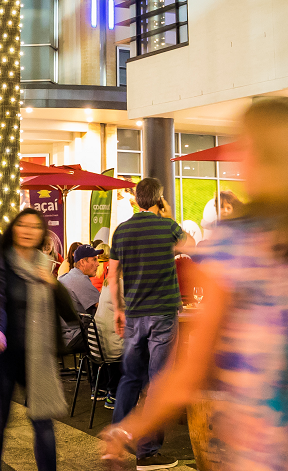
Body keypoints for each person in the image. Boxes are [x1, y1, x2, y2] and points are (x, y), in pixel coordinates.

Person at [100, 100, 288, 471]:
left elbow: (189, 372)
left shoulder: (237, 246)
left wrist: (126, 430)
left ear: (254, 156)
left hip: (269, 453)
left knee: (136, 373)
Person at [0, 208, 80, 471]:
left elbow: (71, 314)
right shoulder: (0, 262)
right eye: (22, 225)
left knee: (43, 422)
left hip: (37, 356)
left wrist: (53, 283)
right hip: (3, 355)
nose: (27, 231)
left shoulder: (44, 266)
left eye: (34, 226)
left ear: (42, 234)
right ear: (14, 229)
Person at [105, 178, 184, 470]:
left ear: (137, 201)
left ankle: (115, 441)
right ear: (159, 200)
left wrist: (118, 309)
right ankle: (147, 452)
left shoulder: (121, 231)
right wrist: (168, 216)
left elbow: (112, 275)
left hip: (135, 313)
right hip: (163, 313)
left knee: (130, 377)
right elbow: (191, 246)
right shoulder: (168, 226)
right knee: (158, 380)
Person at [60, 245, 101, 313]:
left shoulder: (67, 277)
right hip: (75, 323)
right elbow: (102, 307)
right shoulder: (81, 280)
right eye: (94, 260)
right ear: (82, 262)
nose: (98, 264)